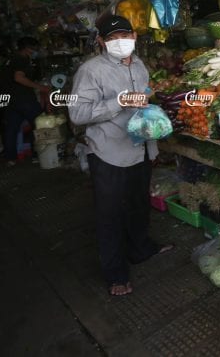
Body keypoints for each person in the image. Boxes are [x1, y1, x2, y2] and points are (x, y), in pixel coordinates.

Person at [69, 15, 173, 297]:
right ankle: (115, 273)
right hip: (108, 153)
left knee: (139, 205)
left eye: (124, 36)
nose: (119, 43)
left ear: (135, 37)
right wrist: (118, 102)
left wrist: (153, 138)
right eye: (112, 38)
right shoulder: (91, 71)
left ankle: (140, 250)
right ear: (101, 41)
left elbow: (143, 102)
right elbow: (77, 113)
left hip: (139, 148)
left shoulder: (140, 66)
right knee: (110, 215)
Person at [1, 37, 49, 165]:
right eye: (34, 48)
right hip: (24, 99)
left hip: (11, 100)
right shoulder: (20, 59)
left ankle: (10, 158)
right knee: (39, 125)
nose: (36, 51)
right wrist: (40, 87)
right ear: (28, 48)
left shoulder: (11, 59)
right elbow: (18, 78)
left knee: (12, 129)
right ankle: (38, 155)